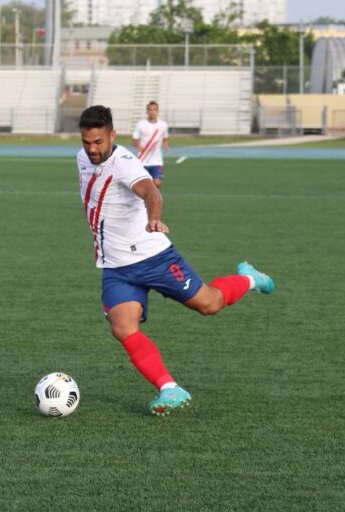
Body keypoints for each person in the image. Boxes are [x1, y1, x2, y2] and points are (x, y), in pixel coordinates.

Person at [77, 105, 274, 417]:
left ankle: (249, 278)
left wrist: (154, 219)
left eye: (98, 142)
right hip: (116, 266)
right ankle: (170, 388)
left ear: (112, 135)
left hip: (153, 258)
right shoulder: (83, 158)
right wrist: (97, 241)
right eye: (87, 142)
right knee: (122, 326)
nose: (92, 149)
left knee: (209, 304)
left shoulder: (125, 164)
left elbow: (152, 194)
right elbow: (95, 202)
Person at [132, 101, 169, 188]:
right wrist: (138, 146)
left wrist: (165, 144)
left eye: (154, 109)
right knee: (141, 185)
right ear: (147, 111)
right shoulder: (140, 124)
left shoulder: (163, 125)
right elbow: (134, 140)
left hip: (157, 161)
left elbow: (165, 138)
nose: (152, 112)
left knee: (157, 183)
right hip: (142, 160)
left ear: (157, 111)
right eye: (150, 110)